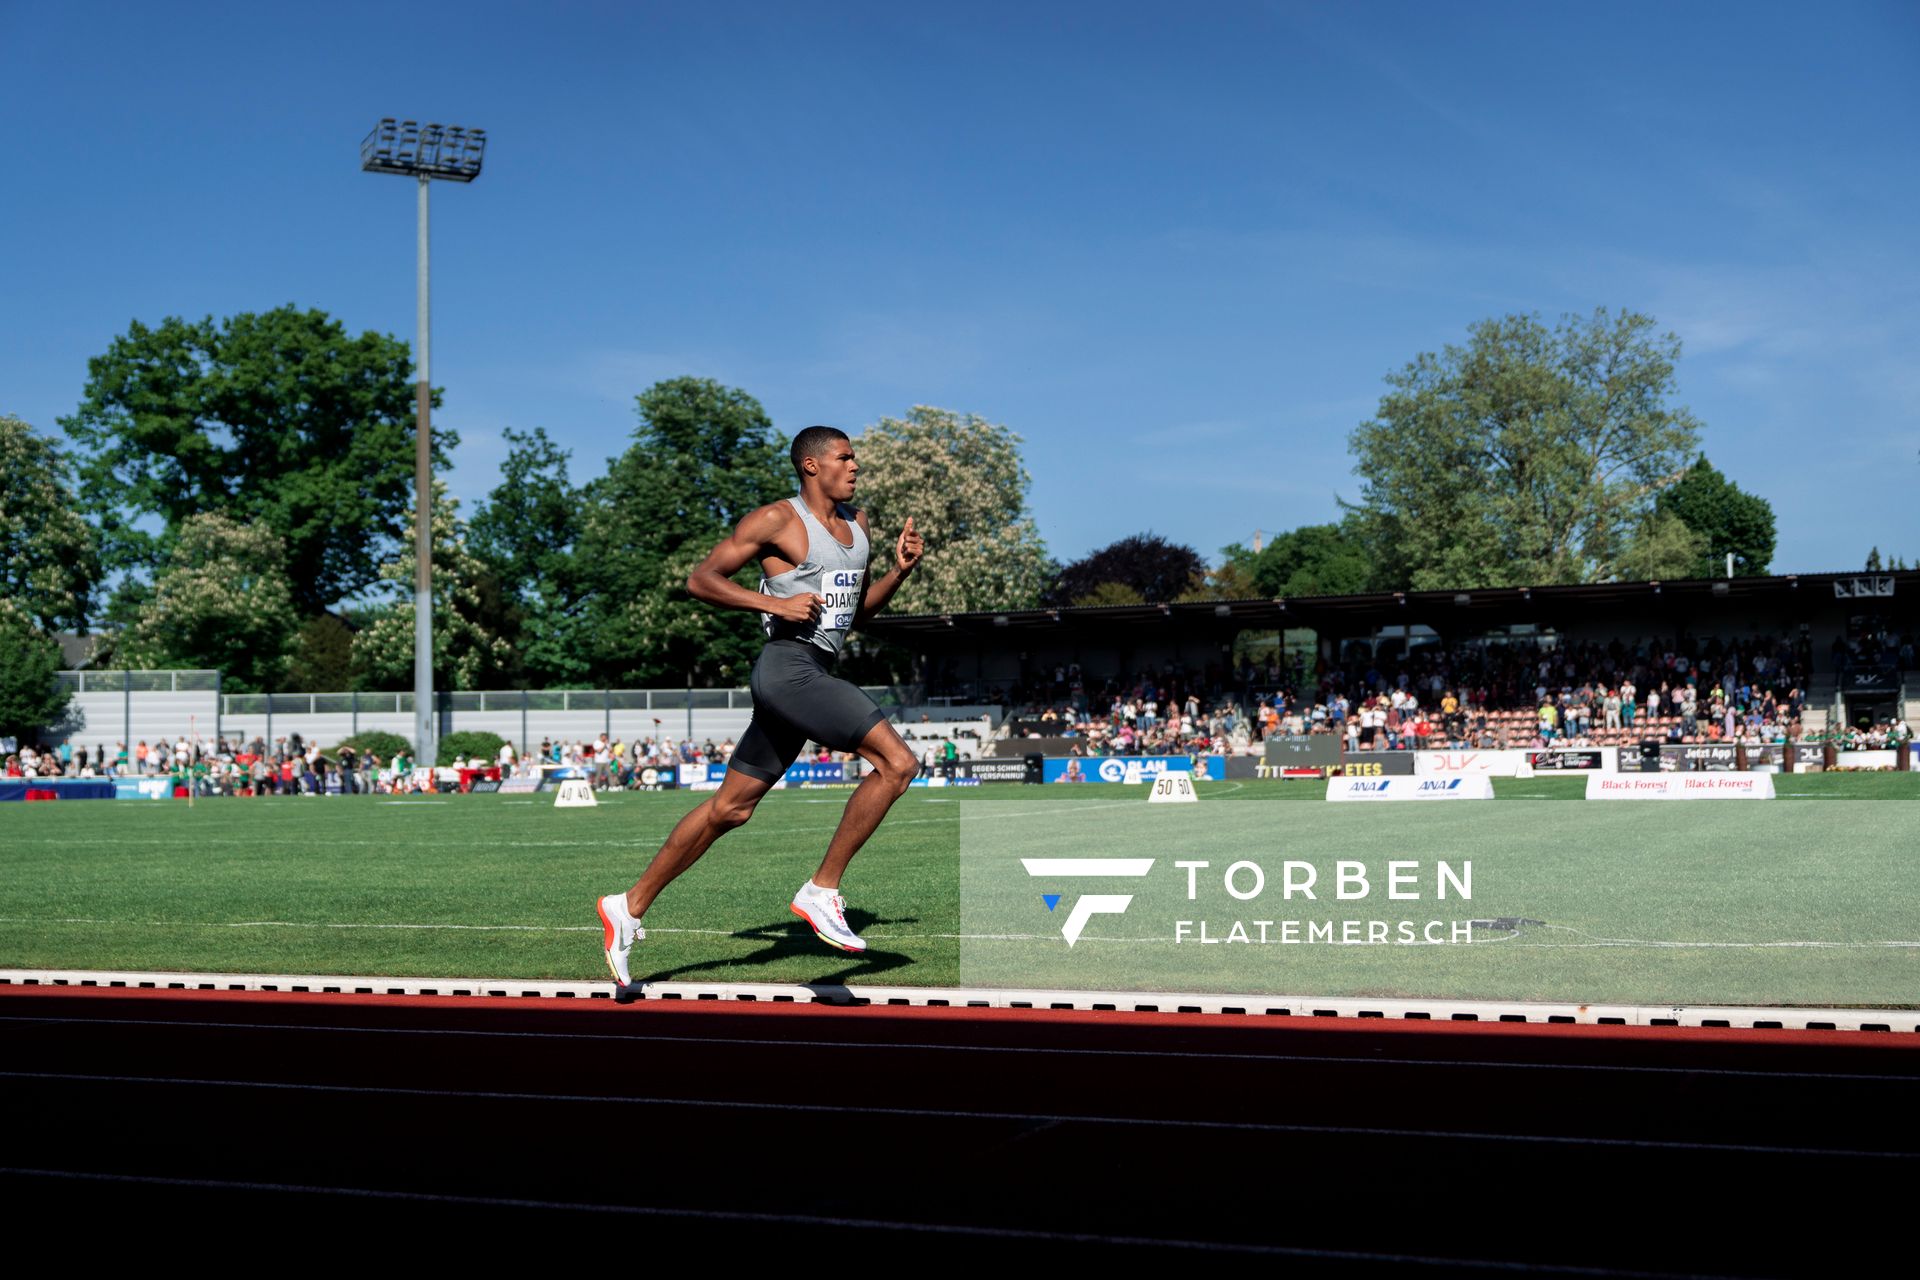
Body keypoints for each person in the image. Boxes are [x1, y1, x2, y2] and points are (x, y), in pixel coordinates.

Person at [596, 425, 925, 990]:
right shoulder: (777, 520)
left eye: (855, 459)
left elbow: (858, 615)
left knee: (730, 809)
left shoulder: (859, 526)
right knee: (898, 765)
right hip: (786, 667)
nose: (855, 467)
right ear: (811, 466)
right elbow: (701, 580)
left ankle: (627, 906)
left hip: (814, 672)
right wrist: (772, 600)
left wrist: (898, 571)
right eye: (845, 458)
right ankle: (822, 890)